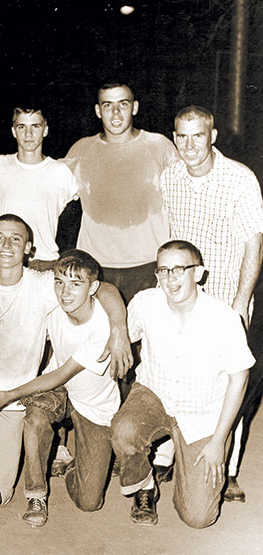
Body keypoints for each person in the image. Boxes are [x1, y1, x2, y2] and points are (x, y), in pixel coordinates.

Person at [0, 214, 131, 514]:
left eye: (16, 239)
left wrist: (119, 327)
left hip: (11, 401)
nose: (6, 245)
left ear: (29, 249)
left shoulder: (45, 285)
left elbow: (104, 288)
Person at [111, 240, 253, 528]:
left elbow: (240, 379)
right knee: (123, 431)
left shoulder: (224, 318)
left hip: (202, 412)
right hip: (155, 394)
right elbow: (124, 329)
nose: (170, 278)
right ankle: (145, 486)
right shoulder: (146, 302)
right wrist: (117, 331)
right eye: (163, 270)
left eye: (179, 269)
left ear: (198, 273)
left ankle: (189, 479)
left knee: (198, 517)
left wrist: (217, 442)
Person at [160, 105, 263, 502]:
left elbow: (253, 243)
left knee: (227, 384)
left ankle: (230, 469)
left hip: (224, 299)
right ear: (174, 138)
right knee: (174, 372)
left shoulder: (239, 178)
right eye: (181, 136)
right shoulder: (169, 177)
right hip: (181, 297)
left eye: (197, 135)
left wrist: (240, 301)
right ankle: (168, 454)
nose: (189, 144)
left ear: (212, 136)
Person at [0, 249, 119, 527]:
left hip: (92, 404)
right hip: (61, 391)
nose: (65, 292)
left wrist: (13, 393)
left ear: (93, 288)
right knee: (35, 417)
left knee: (89, 502)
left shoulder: (103, 325)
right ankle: (36, 494)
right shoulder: (53, 309)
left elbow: (62, 374)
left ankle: (75, 464)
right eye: (59, 282)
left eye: (76, 284)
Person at [65, 82, 178, 304]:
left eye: (123, 104)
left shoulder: (159, 146)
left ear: (134, 107)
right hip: (94, 268)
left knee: (147, 338)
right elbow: (43, 187)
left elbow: (187, 198)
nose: (115, 112)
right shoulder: (81, 150)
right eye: (108, 105)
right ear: (98, 111)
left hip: (149, 266)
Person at [0, 104, 79, 266]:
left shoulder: (60, 172)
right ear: (14, 131)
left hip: (46, 261)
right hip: (7, 260)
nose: (28, 134)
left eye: (35, 126)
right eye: (21, 127)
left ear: (45, 130)